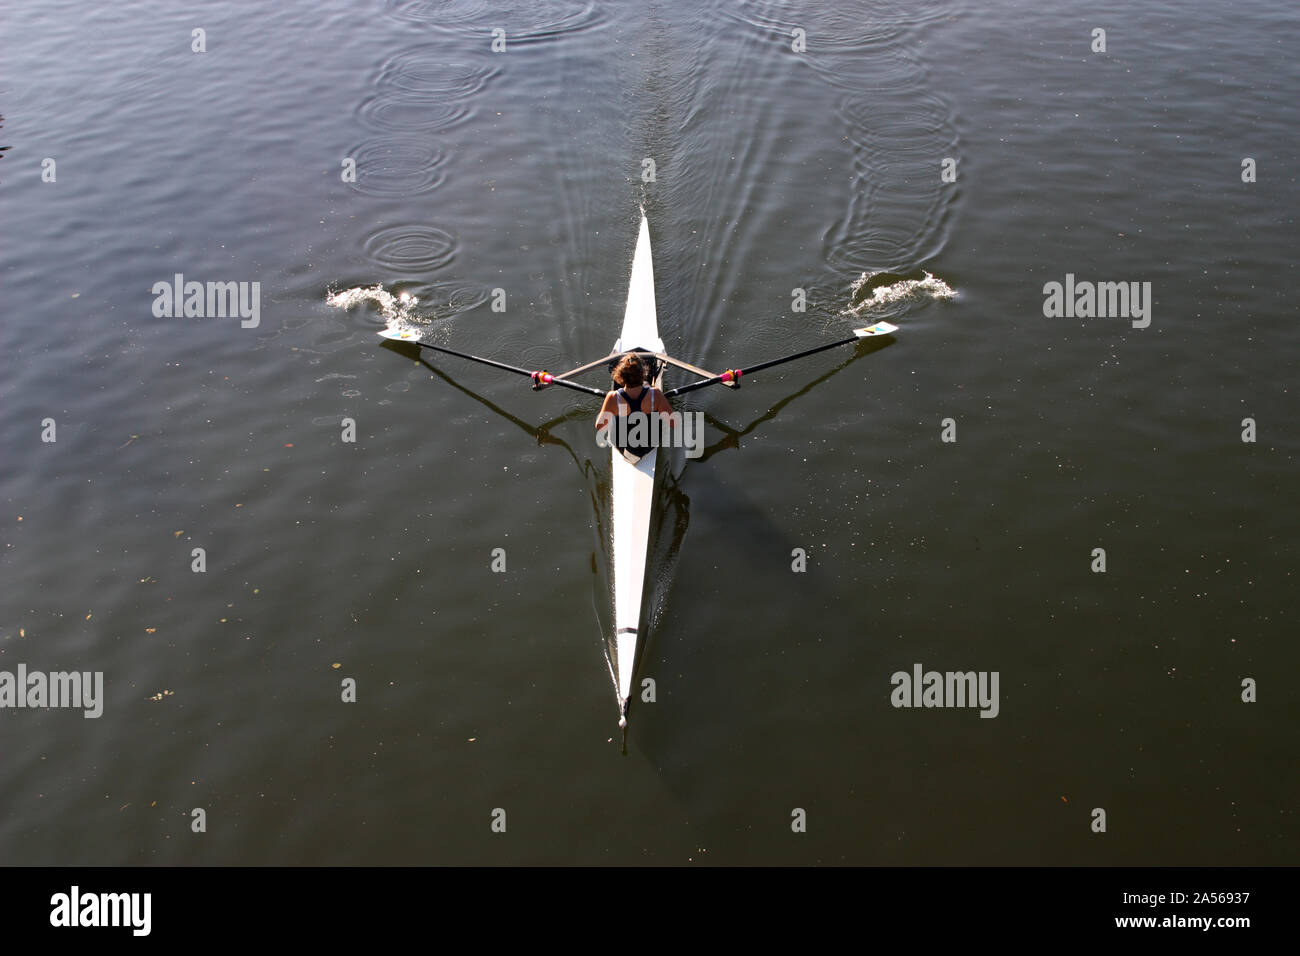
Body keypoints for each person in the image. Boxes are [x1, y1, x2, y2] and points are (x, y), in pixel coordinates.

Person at [595, 353, 674, 463]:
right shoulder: (655, 394)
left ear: (620, 375)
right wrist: (659, 402)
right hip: (649, 445)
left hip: (622, 446)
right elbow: (673, 423)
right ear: (643, 373)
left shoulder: (612, 397)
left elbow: (599, 426)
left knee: (613, 416)